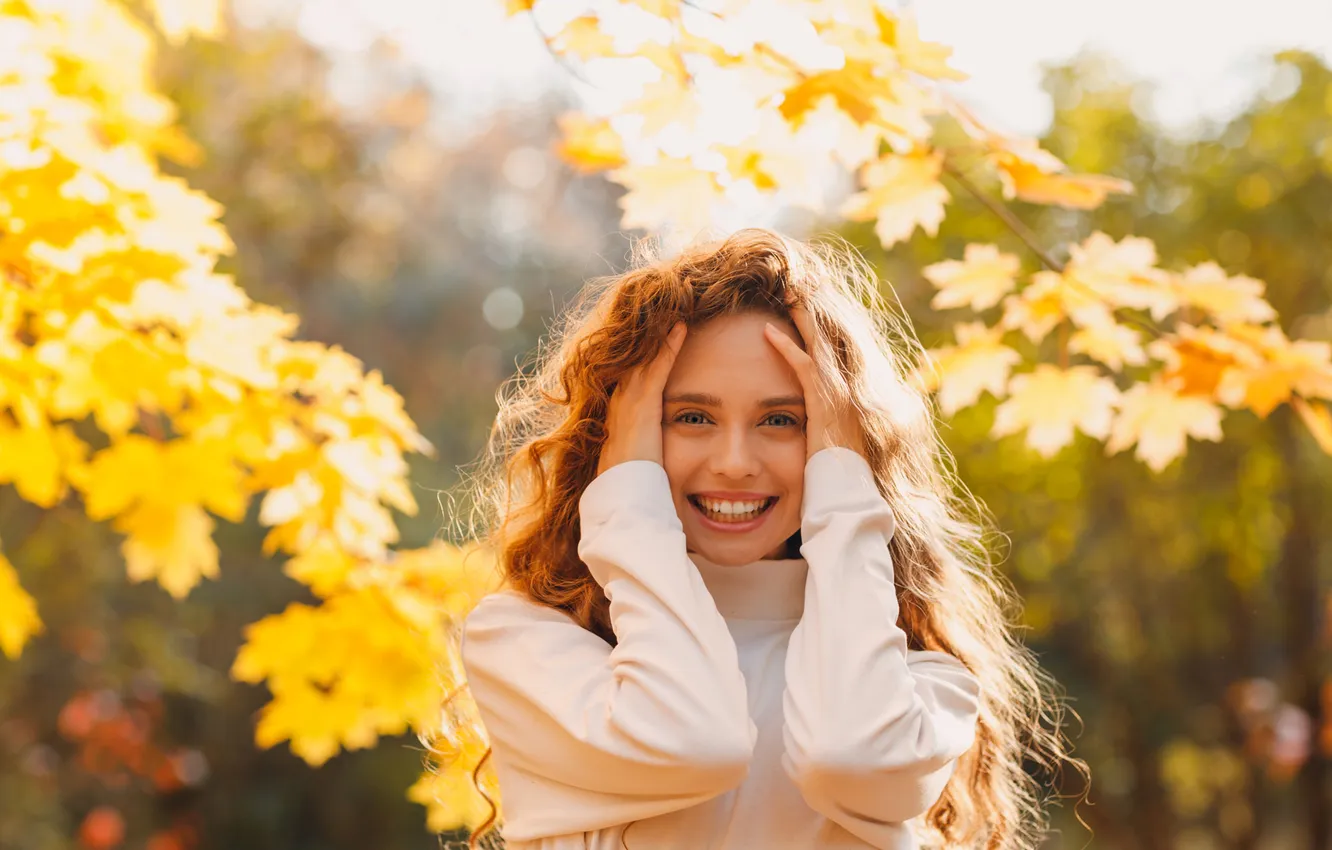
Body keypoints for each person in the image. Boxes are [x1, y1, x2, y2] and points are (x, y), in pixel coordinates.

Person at [450, 228, 1083, 849]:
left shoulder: (923, 685)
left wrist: (844, 498)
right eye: (691, 417)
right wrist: (629, 503)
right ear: (615, 436)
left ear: (844, 445)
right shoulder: (528, 646)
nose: (734, 461)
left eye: (782, 420)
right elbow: (691, 742)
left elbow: (850, 755)